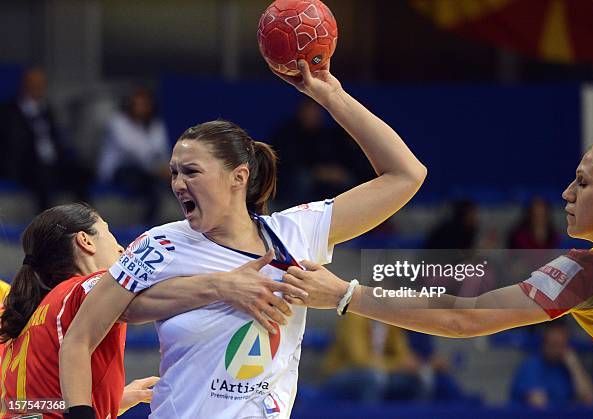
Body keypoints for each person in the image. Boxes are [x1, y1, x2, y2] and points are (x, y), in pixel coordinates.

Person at [59, 58, 427, 419]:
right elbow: (79, 337)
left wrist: (332, 96)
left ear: (238, 177)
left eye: (191, 171)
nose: (177, 184)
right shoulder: (160, 245)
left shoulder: (292, 234)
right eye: (173, 172)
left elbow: (406, 175)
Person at [282, 137, 593, 366]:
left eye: (583, 183)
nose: (567, 193)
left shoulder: (590, 269)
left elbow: (463, 316)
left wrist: (344, 294)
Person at [0, 203, 303, 418]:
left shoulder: (23, 320)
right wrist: (225, 285)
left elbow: (35, 406)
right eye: (109, 234)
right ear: (85, 241)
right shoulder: (87, 287)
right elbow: (137, 302)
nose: (121, 249)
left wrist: (114, 401)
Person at [0, 67, 92, 211]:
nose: (38, 87)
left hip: (53, 162)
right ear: (25, 85)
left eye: (41, 84)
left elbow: (57, 140)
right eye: (34, 83)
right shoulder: (10, 111)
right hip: (28, 164)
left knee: (81, 172)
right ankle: (46, 226)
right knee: (42, 177)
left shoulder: (48, 109)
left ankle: (84, 219)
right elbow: (13, 145)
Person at [98, 87, 170, 224]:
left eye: (145, 104)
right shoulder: (118, 122)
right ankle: (146, 227)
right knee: (151, 184)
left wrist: (167, 168)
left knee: (167, 183)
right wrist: (158, 169)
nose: (141, 108)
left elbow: (162, 150)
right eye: (138, 104)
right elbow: (133, 151)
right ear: (130, 105)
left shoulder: (155, 124)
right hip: (120, 169)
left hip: (149, 170)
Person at [510, 320, 593, 408]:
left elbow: (589, 399)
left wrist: (574, 366)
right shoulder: (531, 366)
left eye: (561, 345)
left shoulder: (567, 366)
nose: (557, 350)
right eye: (553, 344)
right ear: (544, 343)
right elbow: (539, 405)